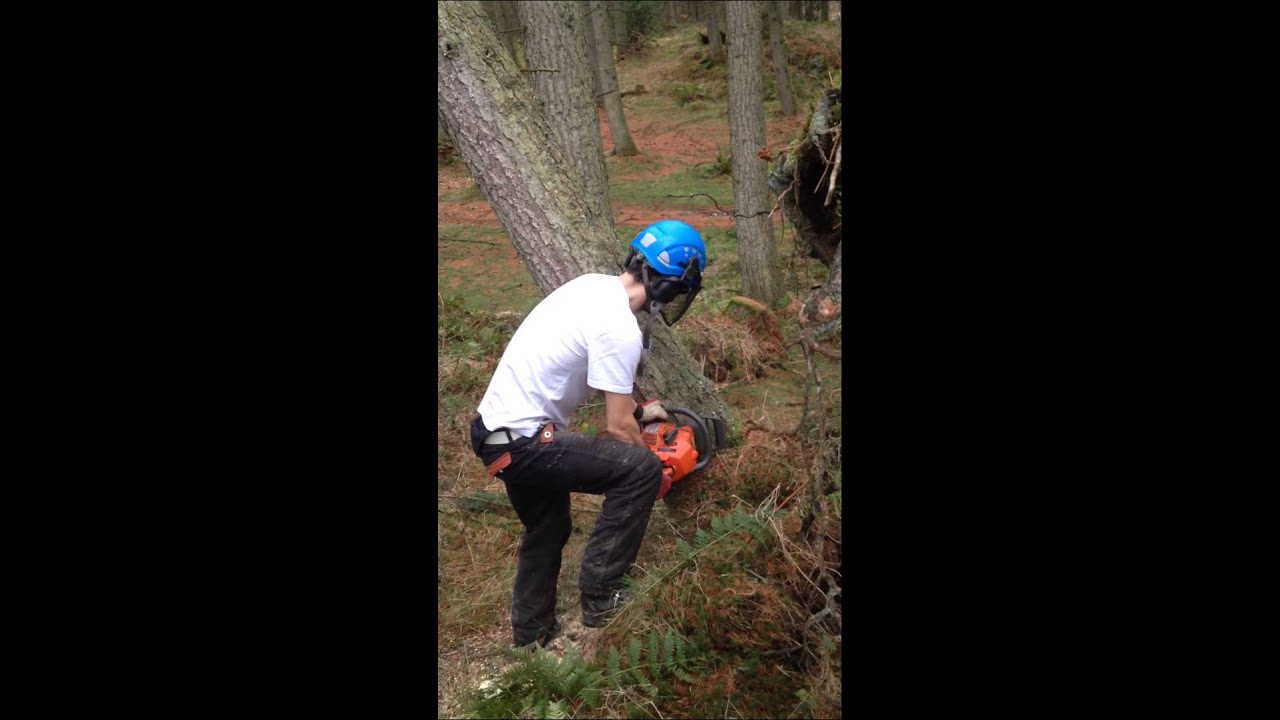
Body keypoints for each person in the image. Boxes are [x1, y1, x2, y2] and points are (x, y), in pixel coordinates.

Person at [469, 219, 707, 650]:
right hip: (524, 442)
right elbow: (616, 427)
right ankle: (602, 598)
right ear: (673, 287)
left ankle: (531, 635)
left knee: (549, 524)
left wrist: (640, 411)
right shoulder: (620, 329)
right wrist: (656, 468)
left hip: (493, 433)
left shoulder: (591, 287)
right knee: (639, 471)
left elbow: (590, 369)